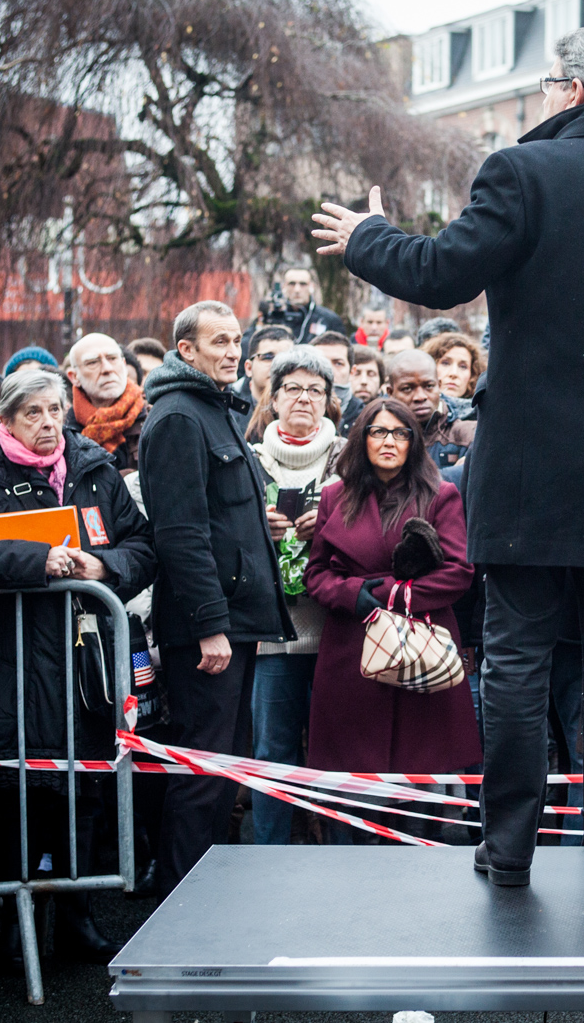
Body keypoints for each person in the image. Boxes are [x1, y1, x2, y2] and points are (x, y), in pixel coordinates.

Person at [314, 23, 584, 894]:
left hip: (528, 475)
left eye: (550, 82)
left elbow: (439, 272)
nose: (545, 95)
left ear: (575, 91)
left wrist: (367, 235)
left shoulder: (522, 172)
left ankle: (507, 849)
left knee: (515, 658)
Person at [0, 365, 153, 965]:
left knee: (84, 787)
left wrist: (101, 569)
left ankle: (79, 918)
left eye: (54, 410)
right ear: (5, 421)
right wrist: (38, 562)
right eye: (32, 413)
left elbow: (140, 547)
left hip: (85, 666)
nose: (48, 423)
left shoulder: (95, 469)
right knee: (15, 793)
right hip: (11, 662)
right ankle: (14, 921)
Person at [138, 301, 294, 897]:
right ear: (186, 350)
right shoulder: (179, 416)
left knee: (227, 764)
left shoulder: (215, 409)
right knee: (204, 770)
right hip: (209, 625)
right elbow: (180, 532)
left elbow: (219, 516)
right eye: (219, 342)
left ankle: (202, 892)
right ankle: (179, 900)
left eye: (237, 341)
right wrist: (209, 625)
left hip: (235, 618)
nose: (233, 351)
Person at [303, 398, 479, 778]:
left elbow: (459, 571)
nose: (389, 441)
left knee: (421, 774)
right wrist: (351, 596)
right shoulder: (335, 496)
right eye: (378, 431)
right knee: (352, 777)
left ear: (412, 442)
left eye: (400, 433)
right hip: (353, 645)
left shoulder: (440, 494)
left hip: (422, 643)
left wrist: (388, 594)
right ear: (362, 439)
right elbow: (315, 573)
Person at [250, 347, 344, 846]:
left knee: (339, 749)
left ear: (329, 401)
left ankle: (343, 855)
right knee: (272, 749)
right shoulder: (249, 459)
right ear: (273, 397)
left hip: (338, 633)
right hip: (274, 636)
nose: (304, 398)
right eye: (293, 388)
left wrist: (329, 527)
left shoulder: (352, 456)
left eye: (316, 390)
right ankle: (270, 854)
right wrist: (252, 528)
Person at [64, 333, 148, 472]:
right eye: (92, 362)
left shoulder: (153, 420)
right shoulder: (61, 432)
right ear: (74, 377)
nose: (107, 369)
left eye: (112, 358)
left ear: (124, 365)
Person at [385, 349, 475, 474]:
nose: (420, 396)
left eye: (428, 386)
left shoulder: (468, 435)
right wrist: (454, 474)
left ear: (439, 385)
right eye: (407, 389)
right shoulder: (378, 437)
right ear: (390, 392)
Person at [236, 326, 296, 444]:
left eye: (285, 358)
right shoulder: (229, 415)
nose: (277, 365)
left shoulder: (305, 413)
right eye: (268, 357)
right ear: (248, 368)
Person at [279, 265, 347, 343]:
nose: (297, 289)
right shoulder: (276, 317)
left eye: (303, 284)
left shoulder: (329, 319)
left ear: (312, 286)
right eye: (292, 283)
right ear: (284, 286)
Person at [423, 331, 486, 401]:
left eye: (463, 367)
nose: (454, 373)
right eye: (445, 363)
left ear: (473, 374)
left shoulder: (483, 411)